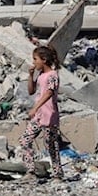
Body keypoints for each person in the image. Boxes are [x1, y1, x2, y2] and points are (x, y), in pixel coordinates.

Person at [18, 45, 65, 180]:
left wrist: (35, 107)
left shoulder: (53, 75)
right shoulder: (41, 75)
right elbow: (31, 91)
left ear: (44, 60)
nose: (34, 62)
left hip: (49, 115)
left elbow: (49, 92)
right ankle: (30, 171)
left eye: (35, 59)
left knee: (51, 145)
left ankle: (57, 174)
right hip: (39, 116)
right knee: (25, 140)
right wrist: (31, 75)